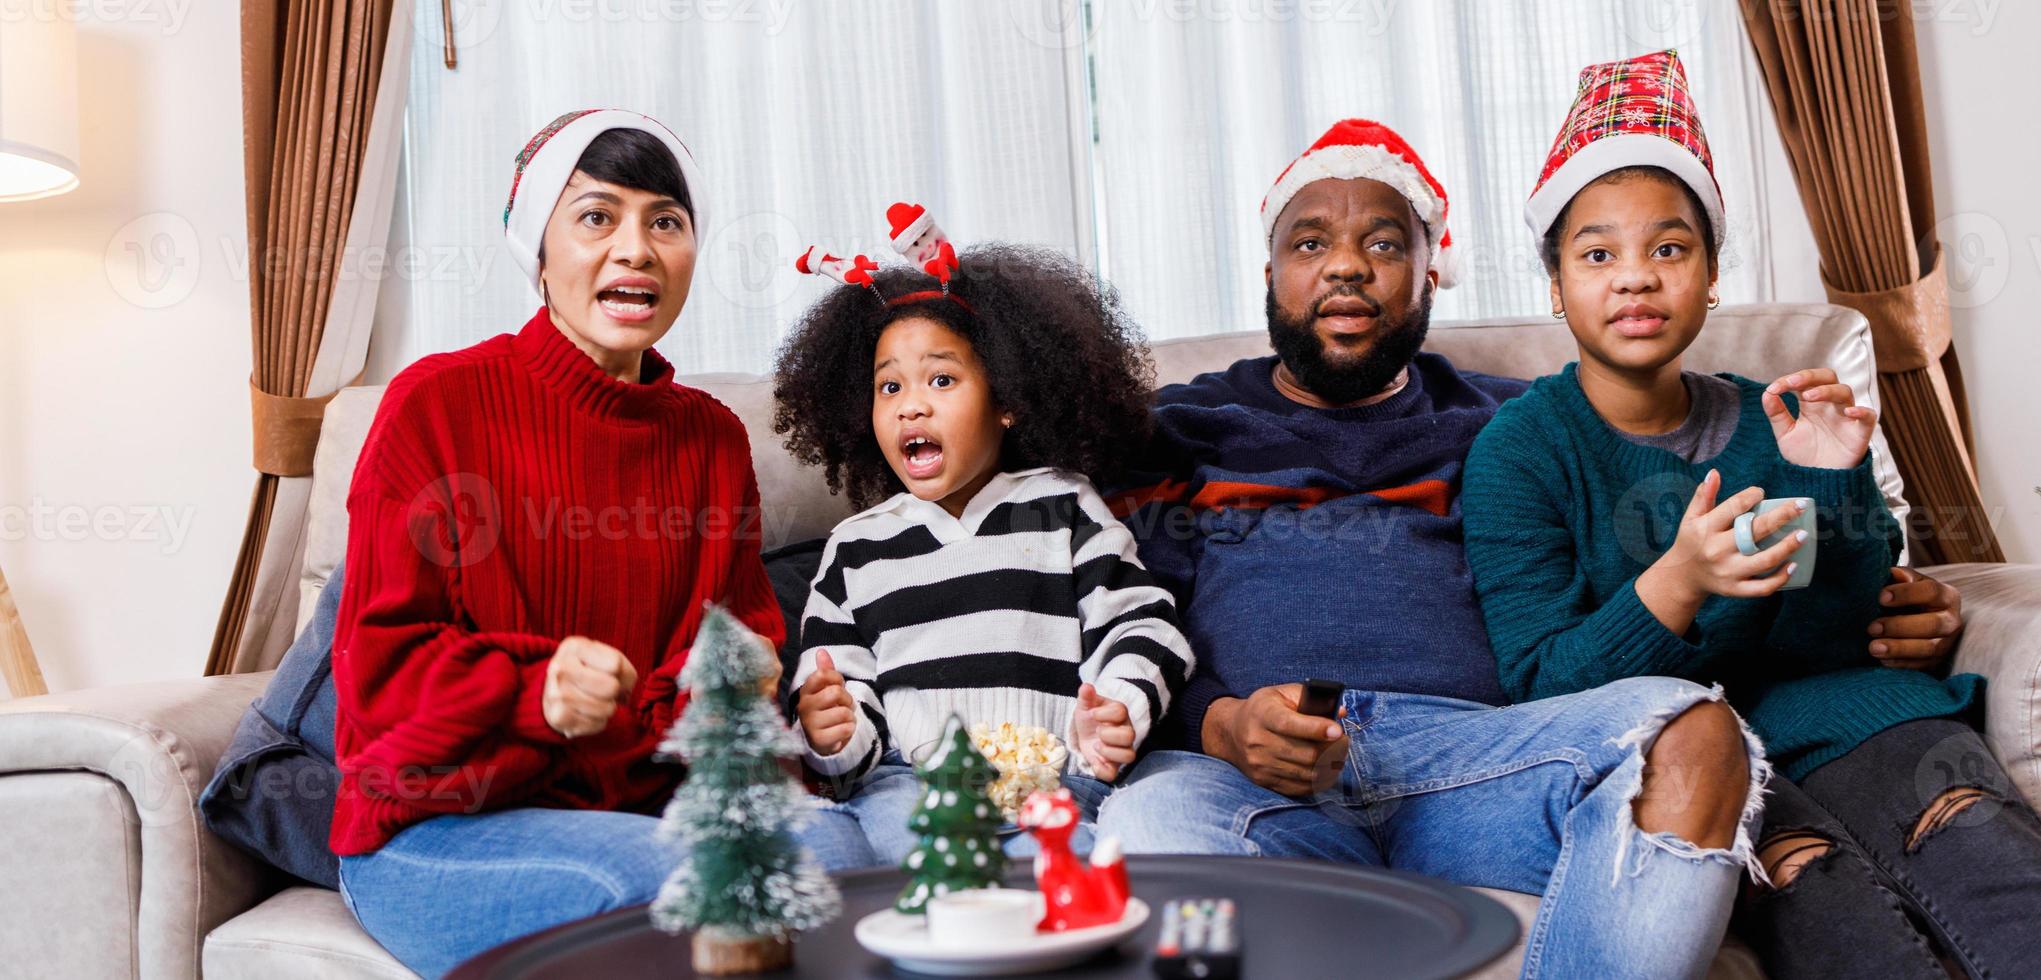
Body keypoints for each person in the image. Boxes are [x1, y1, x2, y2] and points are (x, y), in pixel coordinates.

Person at [1463, 50, 2041, 979]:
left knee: (1990, 864)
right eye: (1597, 254)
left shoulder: (1780, 417)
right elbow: (1541, 689)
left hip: (1855, 719)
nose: (1635, 279)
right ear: (1556, 286)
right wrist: (1676, 582)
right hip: (1697, 768)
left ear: (1711, 275)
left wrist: (1827, 478)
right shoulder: (1518, 451)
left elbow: (1836, 636)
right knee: (1842, 922)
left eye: (1668, 248)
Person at [329, 109, 868, 977]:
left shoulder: (712, 438)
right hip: (440, 832)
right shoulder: (436, 406)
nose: (635, 248)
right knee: (706, 893)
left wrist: (749, 697)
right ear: (537, 253)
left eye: (665, 221)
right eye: (595, 216)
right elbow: (378, 685)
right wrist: (531, 693)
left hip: (645, 804)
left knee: (841, 865)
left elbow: (739, 652)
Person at [771, 246, 1195, 863]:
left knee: (1071, 882)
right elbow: (841, 683)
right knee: (897, 870)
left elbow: (1143, 624)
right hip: (910, 788)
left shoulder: (1061, 505)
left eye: (941, 380)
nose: (911, 404)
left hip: (1054, 784)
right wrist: (834, 730)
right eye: (890, 386)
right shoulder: (856, 547)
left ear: (1007, 399)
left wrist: (1121, 704)